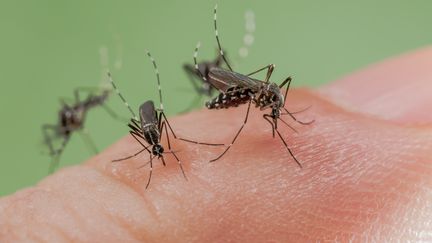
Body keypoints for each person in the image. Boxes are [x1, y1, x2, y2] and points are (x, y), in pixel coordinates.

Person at [0, 47, 431, 242]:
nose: (274, 110)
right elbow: (253, 100)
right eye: (276, 109)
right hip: (236, 90)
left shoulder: (271, 96)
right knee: (261, 93)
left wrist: (282, 111)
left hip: (243, 91)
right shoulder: (258, 97)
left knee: (270, 91)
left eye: (276, 109)